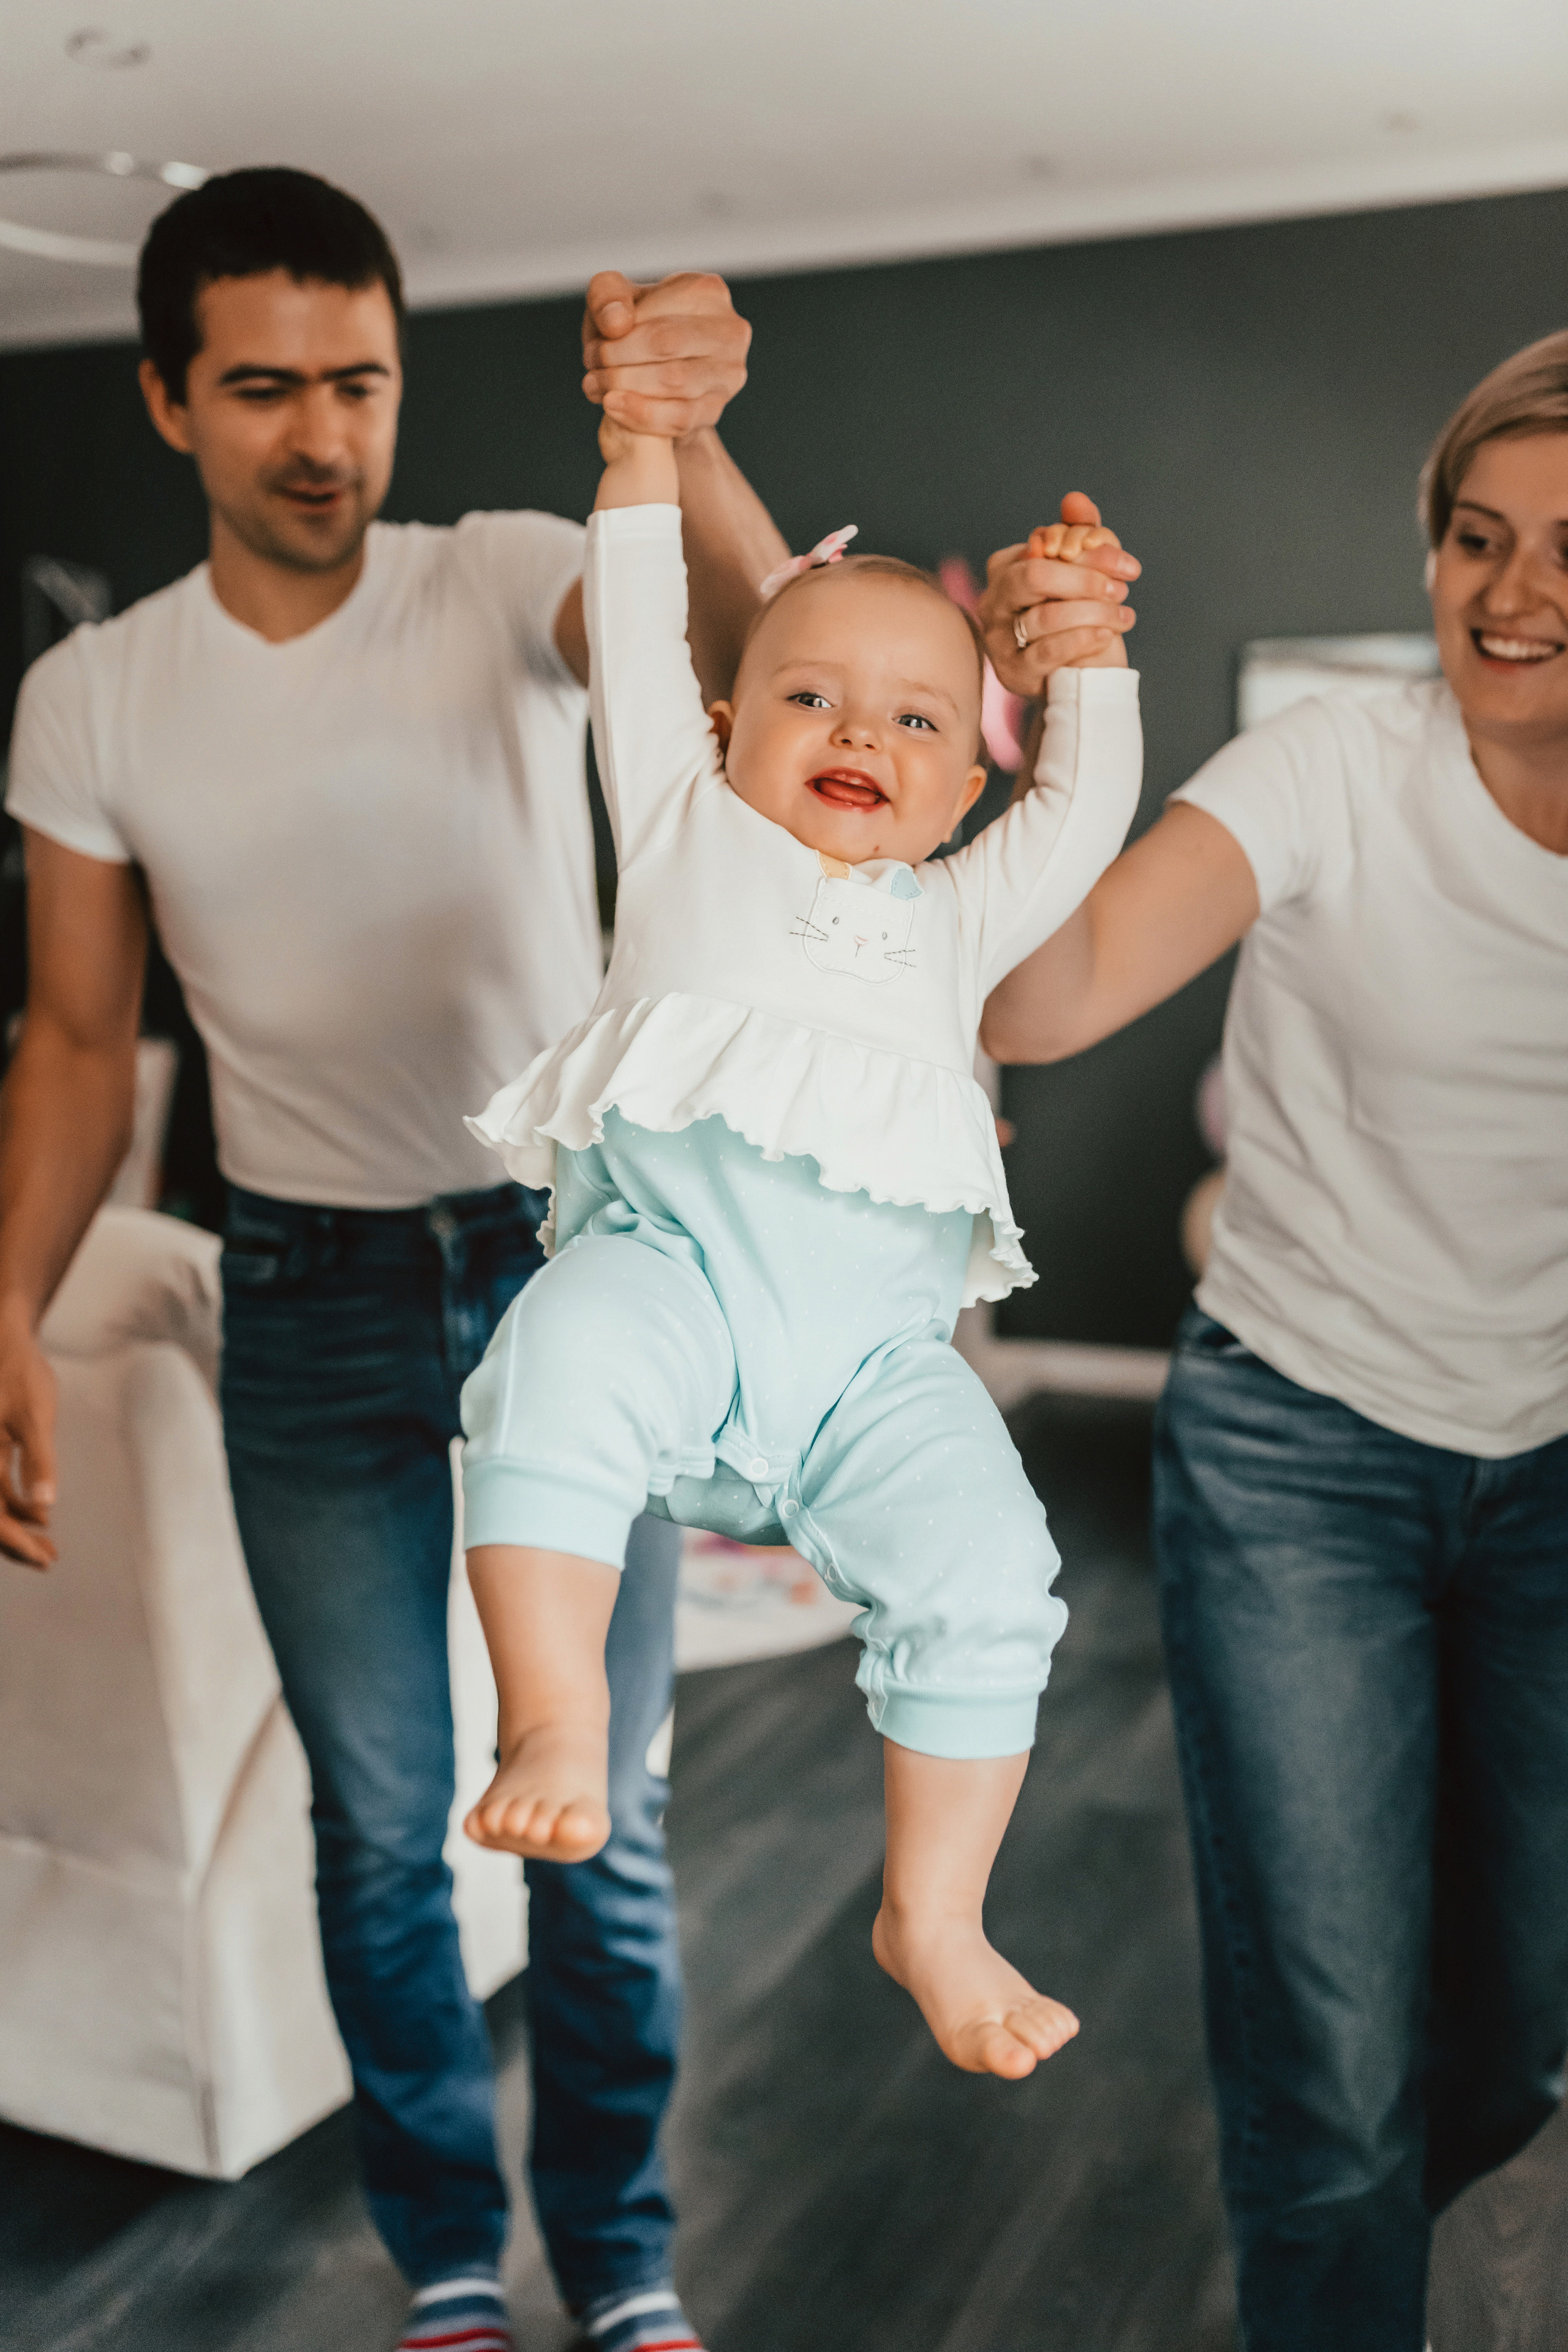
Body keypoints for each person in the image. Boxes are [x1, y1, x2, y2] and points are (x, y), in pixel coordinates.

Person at [0, 165, 786, 2352]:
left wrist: (690, 434)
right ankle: (448, 2259)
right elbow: (79, 1043)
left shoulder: (508, 575)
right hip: (305, 1302)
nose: (322, 433)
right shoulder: (96, 696)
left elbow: (756, 666)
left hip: (569, 1278)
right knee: (379, 1826)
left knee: (607, 1812)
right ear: (168, 402)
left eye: (358, 381)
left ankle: (622, 2260)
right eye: (263, 387)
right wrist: (9, 1304)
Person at [977, 344, 1568, 2349]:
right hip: (1302, 1454)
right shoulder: (1331, 765)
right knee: (1329, 2070)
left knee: (1516, 2037)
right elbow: (1043, 999)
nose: (1511, 593)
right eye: (1475, 537)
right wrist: (1057, 723)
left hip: (1559, 1466)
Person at [450, 408, 1145, 2084]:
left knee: (995, 1575)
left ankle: (937, 1912)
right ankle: (556, 1718)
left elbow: (1085, 806)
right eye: (812, 697)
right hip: (671, 1284)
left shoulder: (961, 913)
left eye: (916, 719)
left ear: (966, 785)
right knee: (553, 1360)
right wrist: (636, 454)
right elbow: (634, 628)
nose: (860, 734)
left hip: (874, 1372)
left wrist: (1093, 662)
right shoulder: (684, 826)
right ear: (723, 726)